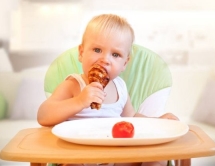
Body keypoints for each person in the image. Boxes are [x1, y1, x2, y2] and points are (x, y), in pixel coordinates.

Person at [37, 14, 178, 166]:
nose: (105, 60)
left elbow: (131, 116)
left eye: (115, 54)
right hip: (80, 156)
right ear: (81, 53)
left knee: (158, 157)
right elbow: (43, 116)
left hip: (117, 156)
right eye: (97, 50)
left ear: (125, 63)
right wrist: (79, 101)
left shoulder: (120, 87)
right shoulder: (74, 84)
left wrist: (159, 122)